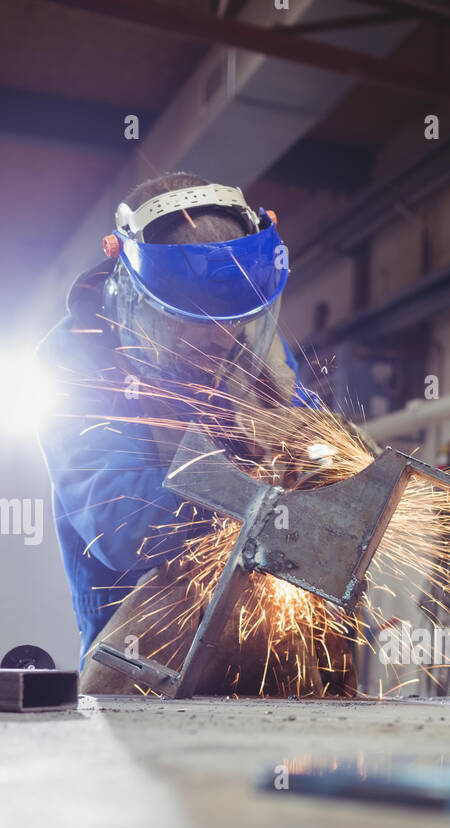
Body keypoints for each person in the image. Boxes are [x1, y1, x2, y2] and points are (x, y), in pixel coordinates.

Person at [38, 171, 352, 696]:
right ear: (138, 297)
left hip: (269, 639)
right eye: (189, 324)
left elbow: (310, 444)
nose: (216, 344)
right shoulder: (81, 360)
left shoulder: (249, 342)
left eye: (230, 324)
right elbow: (122, 525)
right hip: (143, 652)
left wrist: (334, 475)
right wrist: (256, 500)